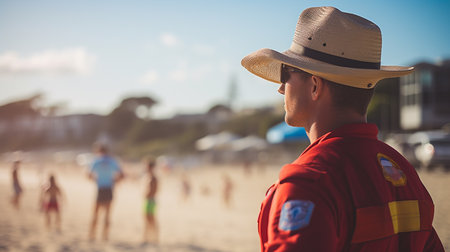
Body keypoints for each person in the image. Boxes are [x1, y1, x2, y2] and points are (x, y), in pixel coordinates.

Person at [241, 6, 444, 251]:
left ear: (315, 86)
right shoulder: (404, 174)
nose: (281, 89)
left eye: (286, 73)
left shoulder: (308, 183)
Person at [88, 143, 124, 241]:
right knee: (107, 214)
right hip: (109, 189)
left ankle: (92, 234)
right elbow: (122, 174)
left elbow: (88, 175)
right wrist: (114, 181)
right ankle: (105, 236)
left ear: (98, 151)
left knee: (95, 213)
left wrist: (96, 180)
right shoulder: (112, 161)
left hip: (100, 188)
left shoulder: (96, 161)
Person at [143, 156, 159, 244]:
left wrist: (146, 195)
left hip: (150, 200)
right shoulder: (150, 176)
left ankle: (152, 237)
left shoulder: (153, 177)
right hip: (150, 200)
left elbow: (152, 190)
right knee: (148, 219)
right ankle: (149, 237)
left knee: (150, 219)